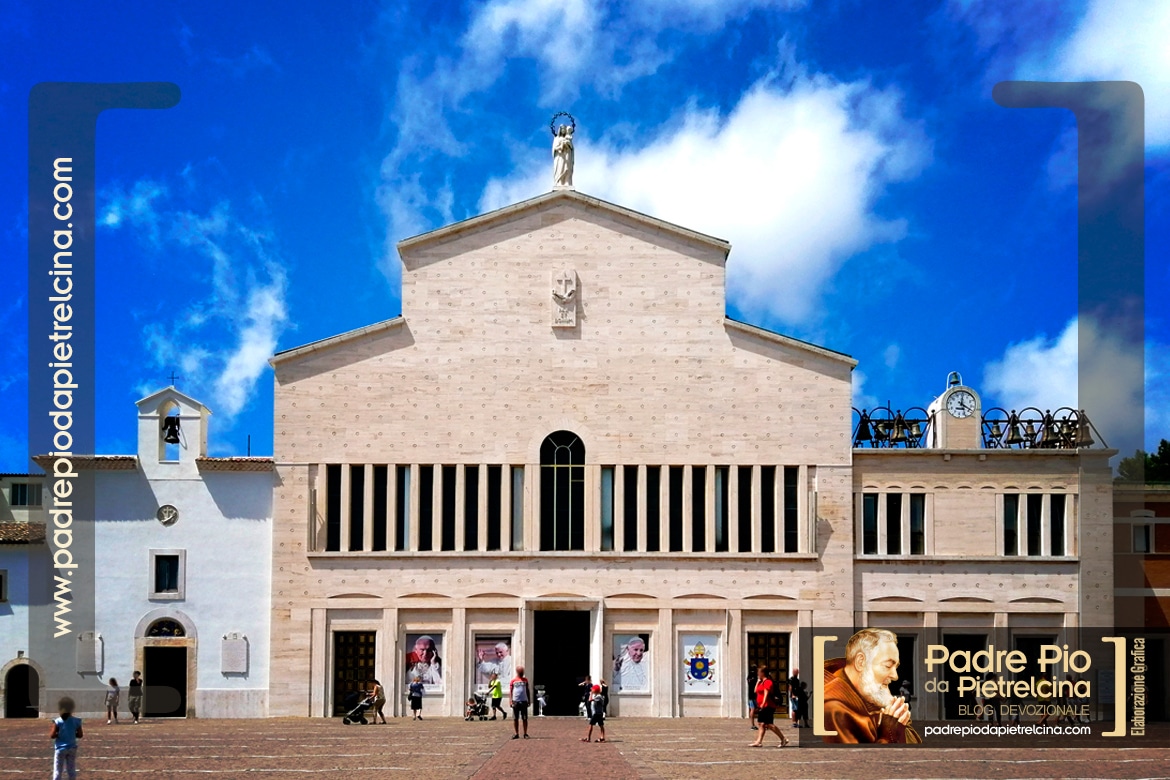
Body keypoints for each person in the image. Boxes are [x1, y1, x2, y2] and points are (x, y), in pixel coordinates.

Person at [823, 628, 921, 744]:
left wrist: (898, 721)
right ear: (861, 662)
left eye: (896, 667)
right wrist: (888, 735)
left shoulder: (871, 693)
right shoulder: (833, 709)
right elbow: (860, 760)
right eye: (888, 666)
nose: (895, 676)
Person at [750, 665, 789, 747]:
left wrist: (763, 705)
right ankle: (758, 741)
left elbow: (766, 694)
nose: (757, 673)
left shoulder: (768, 682)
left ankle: (783, 739)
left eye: (758, 672)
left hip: (768, 706)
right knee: (761, 724)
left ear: (763, 673)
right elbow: (755, 691)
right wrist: (758, 681)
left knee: (769, 725)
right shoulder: (761, 682)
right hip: (762, 706)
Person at [50, 695, 83, 780]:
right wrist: (71, 733)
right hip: (72, 748)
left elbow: (52, 735)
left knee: (58, 770)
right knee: (71, 769)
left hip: (60, 748)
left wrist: (60, 734)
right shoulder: (77, 721)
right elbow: (80, 735)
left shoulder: (57, 721)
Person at [509, 665, 531, 739]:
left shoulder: (525, 680)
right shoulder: (513, 681)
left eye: (522, 671)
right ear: (517, 672)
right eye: (520, 671)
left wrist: (529, 699)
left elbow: (527, 690)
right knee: (515, 718)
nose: (522, 673)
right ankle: (516, 733)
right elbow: (511, 691)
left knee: (524, 718)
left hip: (524, 701)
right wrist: (510, 701)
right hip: (516, 701)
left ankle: (525, 733)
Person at [552, 124, 574, 188]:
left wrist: (568, 143)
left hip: (567, 154)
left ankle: (567, 181)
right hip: (560, 156)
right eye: (562, 129)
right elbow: (554, 148)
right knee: (560, 168)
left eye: (564, 129)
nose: (563, 130)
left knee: (567, 167)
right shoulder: (557, 138)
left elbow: (571, 147)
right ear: (560, 130)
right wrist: (561, 146)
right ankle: (560, 182)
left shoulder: (568, 137)